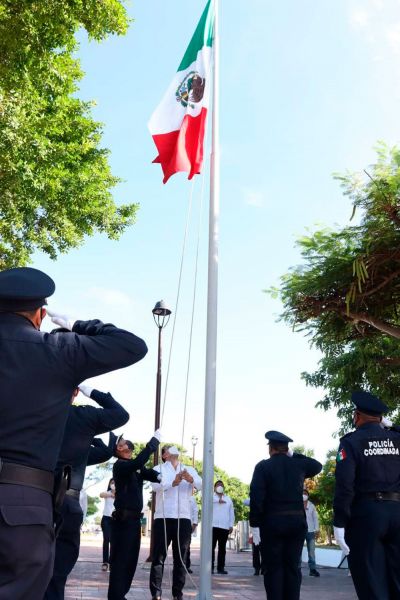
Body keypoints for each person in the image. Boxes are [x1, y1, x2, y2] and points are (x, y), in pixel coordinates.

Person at [0, 266, 148, 600]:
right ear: (40, 314)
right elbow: (131, 345)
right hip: (23, 507)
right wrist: (78, 325)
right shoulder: (57, 350)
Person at [44, 383, 130, 599]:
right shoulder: (83, 417)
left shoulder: (37, 411)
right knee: (57, 573)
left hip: (33, 498)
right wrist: (88, 389)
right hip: (67, 504)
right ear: (75, 392)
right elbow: (121, 414)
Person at [333, 390, 400, 600]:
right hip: (398, 512)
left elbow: (345, 485)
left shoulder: (351, 442)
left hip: (366, 516)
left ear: (357, 416)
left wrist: (339, 521)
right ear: (381, 418)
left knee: (372, 583)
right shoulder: (397, 438)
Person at [250, 430, 322, 600]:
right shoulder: (297, 464)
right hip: (296, 524)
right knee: (292, 567)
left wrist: (255, 525)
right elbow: (317, 465)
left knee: (273, 568)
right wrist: (292, 454)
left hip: (272, 524)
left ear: (270, 448)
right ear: (286, 449)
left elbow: (256, 497)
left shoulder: (262, 466)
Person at [108, 432, 161, 600]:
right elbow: (139, 462)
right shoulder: (120, 466)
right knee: (121, 560)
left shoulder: (133, 467)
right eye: (118, 445)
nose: (120, 446)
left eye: (122, 444)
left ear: (129, 449)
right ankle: (116, 596)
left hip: (133, 522)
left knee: (130, 560)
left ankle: (120, 594)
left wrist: (159, 476)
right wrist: (152, 444)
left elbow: (145, 471)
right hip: (123, 521)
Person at [149, 445, 202, 600]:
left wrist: (190, 479)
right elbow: (155, 486)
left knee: (181, 558)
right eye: (168, 450)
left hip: (183, 518)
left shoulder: (188, 469)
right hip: (163, 517)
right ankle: (156, 593)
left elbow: (201, 484)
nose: (172, 451)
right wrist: (173, 481)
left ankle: (177, 594)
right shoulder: (158, 468)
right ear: (164, 455)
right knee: (158, 557)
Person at [212, 480, 235, 574]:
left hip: (224, 527)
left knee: (222, 549)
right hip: (212, 526)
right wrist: (218, 500)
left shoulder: (228, 499)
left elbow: (231, 513)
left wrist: (231, 525)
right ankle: (210, 568)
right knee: (210, 548)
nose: (220, 486)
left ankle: (220, 568)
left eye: (221, 485)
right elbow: (205, 500)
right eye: (218, 485)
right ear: (214, 487)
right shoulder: (211, 497)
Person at [301, 489, 320, 577]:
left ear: (308, 495)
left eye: (305, 493)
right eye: (302, 493)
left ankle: (312, 569)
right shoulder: (297, 504)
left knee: (311, 551)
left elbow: (315, 518)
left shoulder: (311, 505)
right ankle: (297, 569)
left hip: (310, 531)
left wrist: (317, 529)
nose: (304, 495)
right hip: (299, 530)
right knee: (298, 551)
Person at [100, 478, 116, 572]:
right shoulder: (107, 493)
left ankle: (112, 562)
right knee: (106, 539)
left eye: (115, 482)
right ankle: (105, 562)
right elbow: (101, 494)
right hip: (106, 519)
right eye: (112, 482)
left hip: (116, 520)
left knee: (114, 541)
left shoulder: (121, 493)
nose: (113, 484)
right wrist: (111, 494)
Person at [186, 493, 199, 573]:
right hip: (175, 523)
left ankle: (186, 566)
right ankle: (178, 566)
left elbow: (195, 510)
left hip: (188, 525)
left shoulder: (192, 498)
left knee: (186, 547)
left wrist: (195, 523)